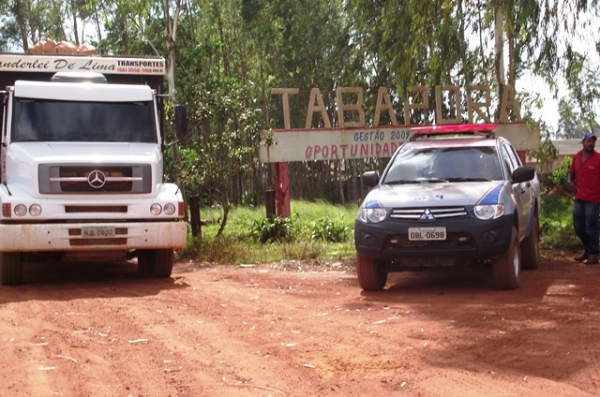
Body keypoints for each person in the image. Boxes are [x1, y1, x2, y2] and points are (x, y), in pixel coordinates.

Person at [567, 132, 600, 265]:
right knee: (579, 227)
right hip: (579, 196)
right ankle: (589, 249)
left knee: (591, 226)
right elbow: (571, 173)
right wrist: (570, 181)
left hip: (593, 198)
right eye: (588, 141)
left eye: (593, 141)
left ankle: (593, 254)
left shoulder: (598, 159)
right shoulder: (577, 157)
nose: (591, 143)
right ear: (583, 142)